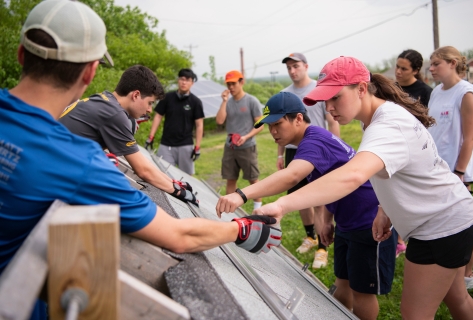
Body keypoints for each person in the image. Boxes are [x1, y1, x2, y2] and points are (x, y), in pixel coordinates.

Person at [0, 1, 281, 319]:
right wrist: (241, 229)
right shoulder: (79, 163)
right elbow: (178, 236)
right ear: (91, 71)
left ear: (21, 54)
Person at [255, 56, 473, 319]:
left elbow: (352, 176)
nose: (328, 107)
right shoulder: (376, 117)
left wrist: (282, 204)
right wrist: (385, 209)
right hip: (455, 215)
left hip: (440, 226)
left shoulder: (386, 125)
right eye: (324, 100)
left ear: (361, 89)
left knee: (414, 314)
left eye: (335, 97)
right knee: (458, 299)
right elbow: (399, 167)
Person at [216, 92, 396, 319]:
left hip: (370, 223)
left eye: (278, 124)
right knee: (342, 282)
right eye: (269, 126)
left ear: (298, 119)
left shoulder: (314, 141)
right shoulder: (310, 141)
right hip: (346, 223)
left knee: (362, 292)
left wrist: (241, 195)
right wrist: (326, 221)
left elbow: (291, 176)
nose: (273, 131)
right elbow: (326, 186)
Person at [59, 65, 199, 206]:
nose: (150, 109)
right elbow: (143, 170)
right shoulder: (115, 114)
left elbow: (143, 164)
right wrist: (178, 192)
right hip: (58, 175)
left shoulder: (104, 99)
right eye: (150, 103)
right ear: (136, 95)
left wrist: (173, 182)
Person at [280, 53, 340, 267]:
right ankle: (310, 236)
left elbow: (332, 121)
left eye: (296, 66)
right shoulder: (284, 94)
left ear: (306, 66)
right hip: (293, 151)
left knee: (319, 200)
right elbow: (281, 126)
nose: (292, 71)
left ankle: (323, 247)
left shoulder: (319, 90)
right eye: (289, 68)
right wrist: (280, 153)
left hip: (318, 151)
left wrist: (335, 149)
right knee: (299, 198)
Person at [428, 46, 473, 290]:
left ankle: (467, 274)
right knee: (442, 220)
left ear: (452, 63)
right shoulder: (436, 91)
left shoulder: (467, 93)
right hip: (437, 166)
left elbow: (469, 137)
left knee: (466, 220)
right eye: (431, 63)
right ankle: (445, 266)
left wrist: (459, 172)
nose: (431, 68)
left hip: (457, 171)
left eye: (436, 63)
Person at [394, 49, 433, 257]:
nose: (398, 72)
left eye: (404, 68)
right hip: (393, 147)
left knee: (411, 195)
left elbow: (428, 124)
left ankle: (407, 239)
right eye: (397, 66)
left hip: (415, 150)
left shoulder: (425, 91)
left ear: (416, 70)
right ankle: (398, 239)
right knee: (394, 193)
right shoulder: (392, 88)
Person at [215, 70, 264, 209]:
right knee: (231, 179)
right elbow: (219, 121)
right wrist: (224, 101)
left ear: (242, 82)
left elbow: (260, 125)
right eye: (228, 84)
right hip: (230, 147)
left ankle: (257, 209)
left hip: (247, 146)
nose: (231, 87)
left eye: (233, 83)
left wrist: (246, 137)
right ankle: (229, 209)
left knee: (253, 179)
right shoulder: (228, 102)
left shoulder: (251, 101)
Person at [145, 68, 204, 175]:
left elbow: (199, 125)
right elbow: (158, 117)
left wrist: (197, 146)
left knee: (186, 178)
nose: (184, 82)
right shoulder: (167, 97)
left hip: (185, 145)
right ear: (178, 80)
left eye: (187, 80)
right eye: (182, 79)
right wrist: (151, 136)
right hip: (166, 145)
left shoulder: (196, 102)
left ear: (192, 83)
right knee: (163, 174)